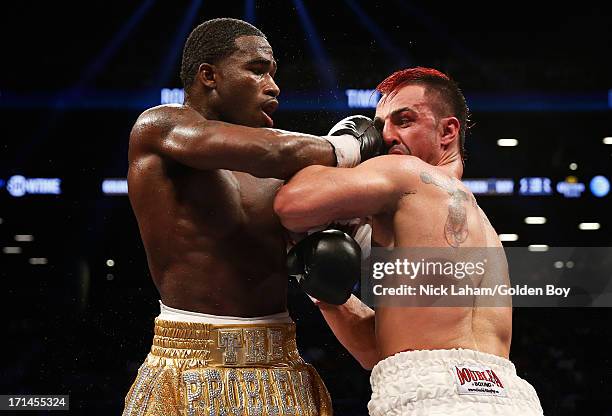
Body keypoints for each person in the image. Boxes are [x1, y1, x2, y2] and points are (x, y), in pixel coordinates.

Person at [123, 18, 381, 416]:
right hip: (188, 364)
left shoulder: (287, 176)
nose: (274, 86)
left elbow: (348, 238)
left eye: (273, 73)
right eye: (258, 69)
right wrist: (350, 146)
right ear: (209, 75)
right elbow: (274, 151)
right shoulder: (159, 128)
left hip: (281, 368)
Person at [274, 67, 543, 415]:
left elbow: (291, 203)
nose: (385, 136)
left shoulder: (408, 174)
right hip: (509, 397)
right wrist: (327, 295)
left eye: (404, 120)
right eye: (380, 124)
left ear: (447, 131)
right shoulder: (483, 229)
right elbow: (381, 353)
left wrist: (348, 146)